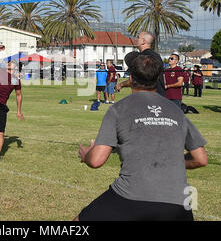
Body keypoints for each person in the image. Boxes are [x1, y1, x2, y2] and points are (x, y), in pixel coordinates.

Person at [75, 54, 208, 221]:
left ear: (130, 78)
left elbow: (96, 160)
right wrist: (166, 163)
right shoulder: (176, 111)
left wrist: (86, 154)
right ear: (158, 77)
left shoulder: (119, 109)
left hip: (131, 196)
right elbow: (201, 159)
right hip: (179, 204)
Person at [115, 31, 165, 97]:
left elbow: (134, 80)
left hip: (147, 97)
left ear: (143, 41)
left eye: (138, 38)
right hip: (159, 96)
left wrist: (121, 84)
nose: (136, 40)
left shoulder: (142, 58)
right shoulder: (156, 56)